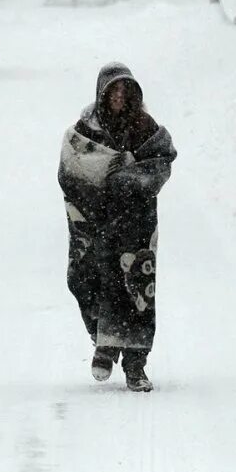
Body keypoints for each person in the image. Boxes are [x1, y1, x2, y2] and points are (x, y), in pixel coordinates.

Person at [58, 62, 177, 392]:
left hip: (135, 223)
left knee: (136, 286)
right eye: (114, 90)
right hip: (95, 221)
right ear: (101, 93)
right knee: (84, 278)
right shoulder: (85, 130)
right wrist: (98, 190)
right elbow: (71, 169)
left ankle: (135, 365)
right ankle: (104, 341)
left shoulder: (143, 125)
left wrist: (127, 181)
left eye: (126, 90)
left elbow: (161, 159)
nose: (119, 96)